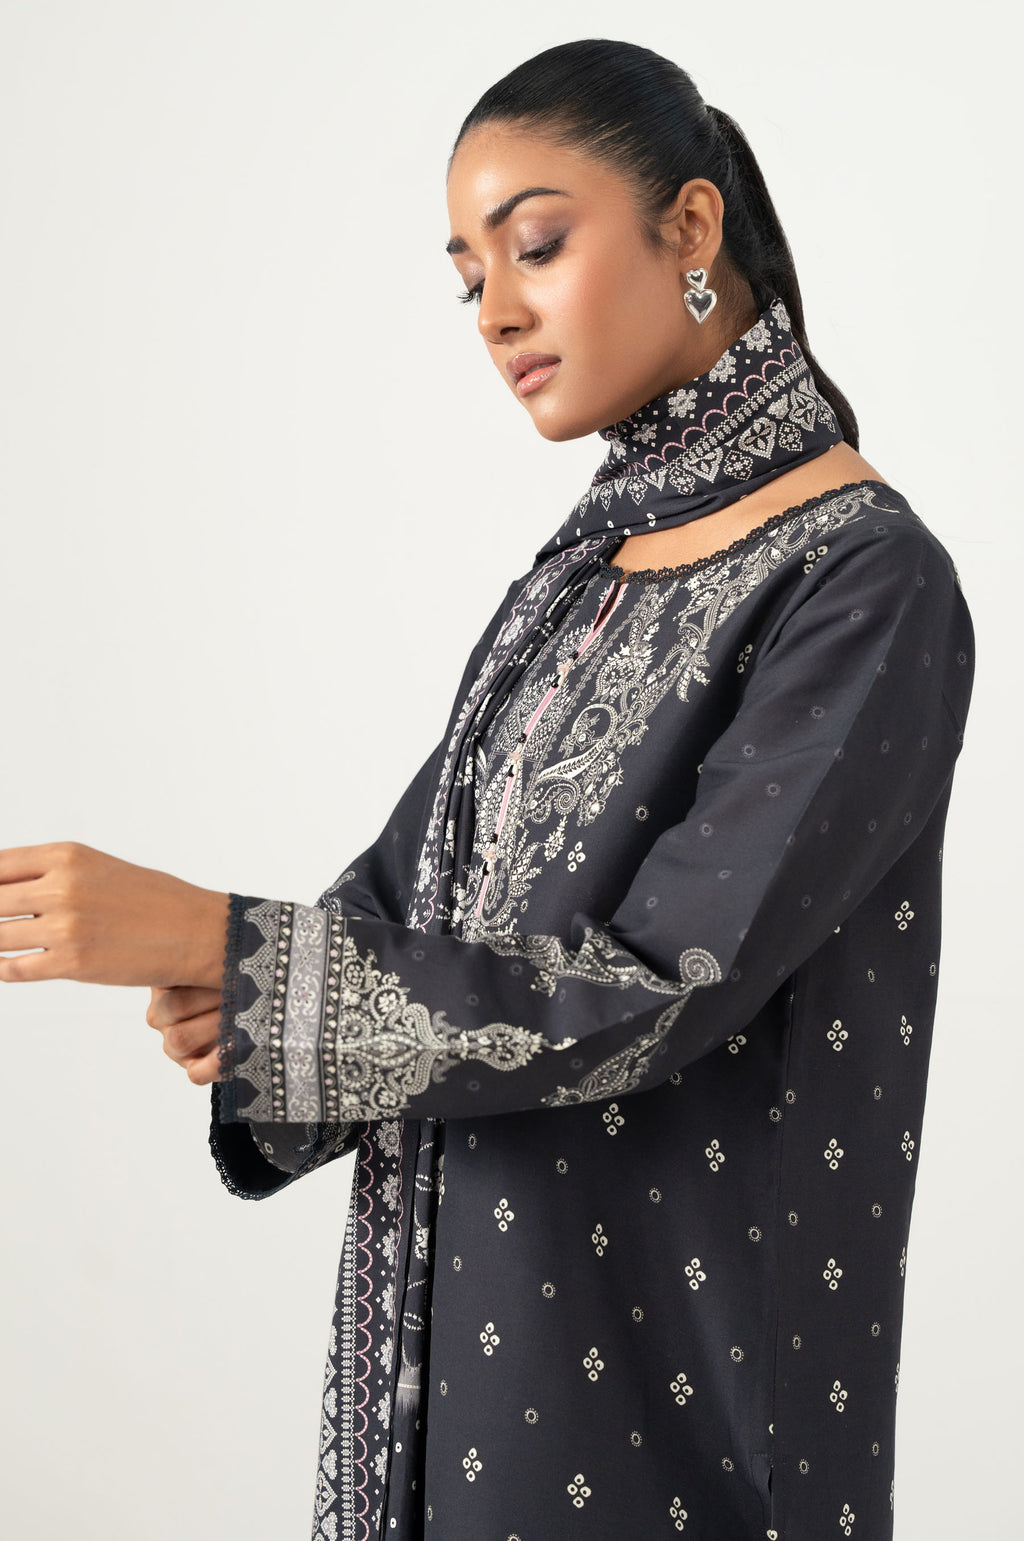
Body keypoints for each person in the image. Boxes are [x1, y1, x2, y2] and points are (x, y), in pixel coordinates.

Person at [0, 37, 974, 1541]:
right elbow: (414, 897)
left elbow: (661, 986)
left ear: (691, 227)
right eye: (468, 281)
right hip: (463, 1347)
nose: (498, 312)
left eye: (536, 245)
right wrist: (245, 994)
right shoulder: (580, 577)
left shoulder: (863, 581)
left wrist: (234, 950)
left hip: (677, 1398)